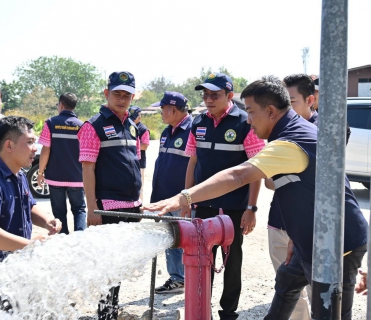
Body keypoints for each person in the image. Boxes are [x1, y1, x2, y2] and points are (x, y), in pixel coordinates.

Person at [144, 76, 368, 320]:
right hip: (311, 236)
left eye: (250, 111)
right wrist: (297, 236)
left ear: (271, 111)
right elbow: (308, 190)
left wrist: (184, 197)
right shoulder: (292, 131)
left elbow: (239, 175)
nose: (248, 120)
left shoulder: (290, 141)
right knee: (287, 281)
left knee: (331, 313)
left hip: (335, 243)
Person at [184, 73, 265, 319]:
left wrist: (251, 208)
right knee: (201, 260)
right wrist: (186, 199)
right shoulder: (197, 123)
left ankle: (228, 312)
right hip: (203, 207)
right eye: (205, 95)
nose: (209, 99)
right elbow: (192, 162)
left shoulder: (244, 123)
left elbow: (256, 169)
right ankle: (201, 308)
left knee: (232, 262)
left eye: (215, 95)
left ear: (230, 96)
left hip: (234, 209)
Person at [77, 71, 142, 320]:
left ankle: (112, 310)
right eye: (117, 94)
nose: (122, 98)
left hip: (130, 205)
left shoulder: (132, 125)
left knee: (120, 265)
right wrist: (92, 207)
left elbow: (135, 163)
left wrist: (139, 200)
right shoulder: (93, 126)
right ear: (107, 93)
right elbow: (87, 168)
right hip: (107, 207)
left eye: (127, 94)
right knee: (108, 266)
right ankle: (106, 314)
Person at [0, 116, 62, 269]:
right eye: (29, 142)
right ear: (9, 145)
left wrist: (46, 220)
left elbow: (27, 206)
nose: (35, 148)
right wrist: (30, 245)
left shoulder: (19, 175)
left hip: (13, 270)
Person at [263, 74, 317, 320]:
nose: (285, 107)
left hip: (314, 226)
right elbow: (268, 181)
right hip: (281, 221)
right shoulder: (278, 133)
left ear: (311, 101)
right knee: (289, 291)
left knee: (321, 291)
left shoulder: (325, 133)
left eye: (290, 100)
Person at [150, 91, 193, 294]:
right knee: (171, 239)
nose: (161, 113)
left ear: (173, 109)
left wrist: (187, 199)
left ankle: (188, 279)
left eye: (162, 109)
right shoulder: (168, 131)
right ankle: (177, 279)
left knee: (186, 240)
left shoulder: (192, 130)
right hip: (165, 197)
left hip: (180, 198)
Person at [36, 92, 86, 234]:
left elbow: (45, 150)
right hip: (76, 178)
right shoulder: (82, 126)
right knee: (79, 209)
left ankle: (63, 239)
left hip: (55, 177)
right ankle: (80, 239)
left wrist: (40, 172)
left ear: (61, 105)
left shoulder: (50, 123)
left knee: (59, 212)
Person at [312, 76, 351, 143]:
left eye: (316, 92)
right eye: (312, 91)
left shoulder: (334, 115)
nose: (313, 95)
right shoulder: (309, 111)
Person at [128, 106, 149, 201]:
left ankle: (140, 211)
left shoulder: (143, 129)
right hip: (128, 161)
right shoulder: (127, 126)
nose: (131, 120)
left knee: (139, 187)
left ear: (139, 117)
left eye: (134, 118)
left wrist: (130, 145)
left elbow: (145, 145)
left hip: (139, 162)